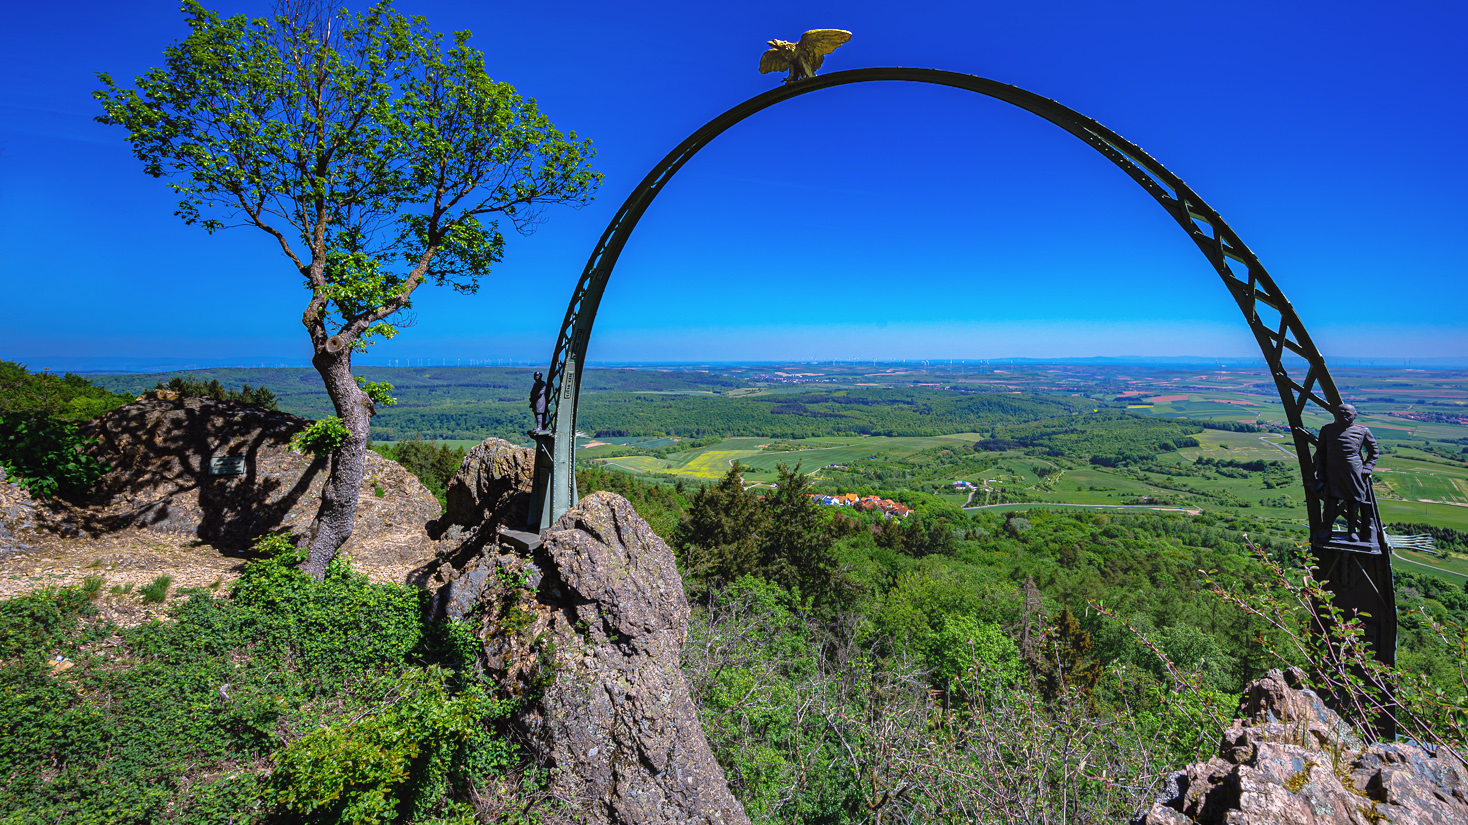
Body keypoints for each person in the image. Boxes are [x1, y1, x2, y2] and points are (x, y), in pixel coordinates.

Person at [1313, 403, 1379, 542]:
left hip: (1354, 473)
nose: (1343, 416)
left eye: (1347, 414)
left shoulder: (1363, 431)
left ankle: (1352, 531)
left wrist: (1368, 467)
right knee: (1330, 502)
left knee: (1353, 503)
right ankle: (1327, 530)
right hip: (1332, 472)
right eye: (1340, 413)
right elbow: (1321, 452)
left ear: (1354, 415)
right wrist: (1321, 473)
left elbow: (1374, 452)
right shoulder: (1327, 430)